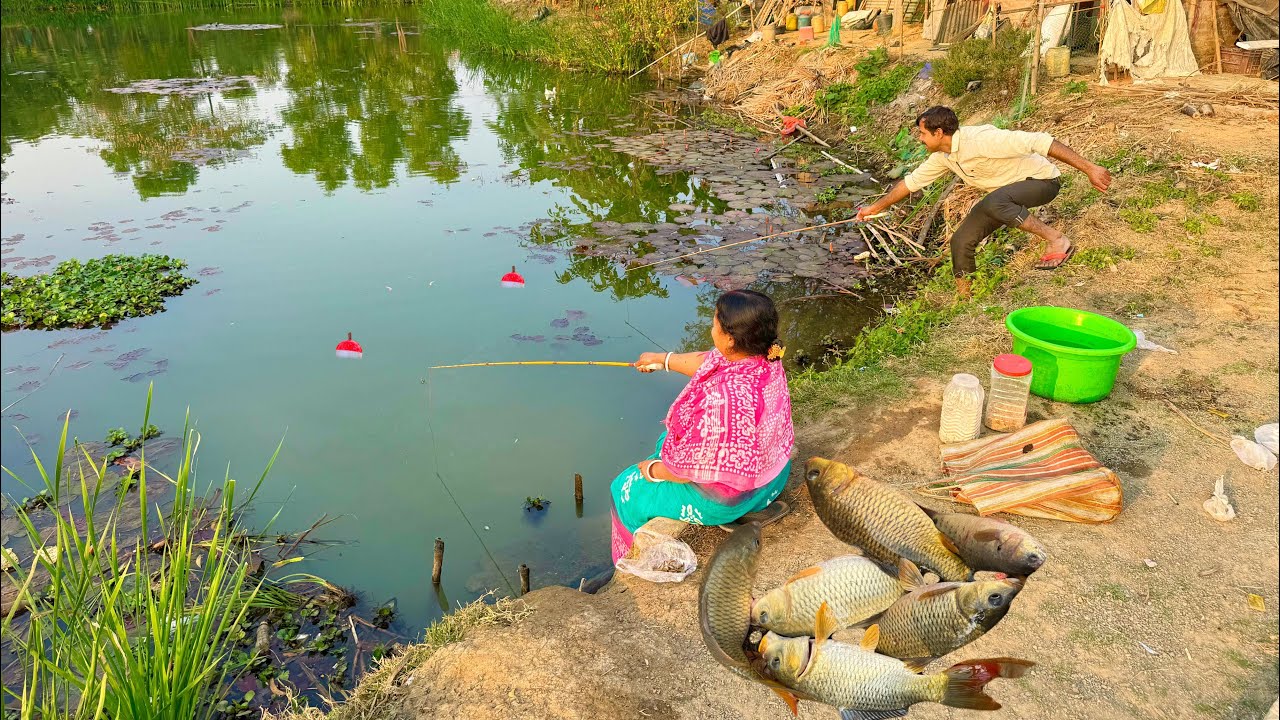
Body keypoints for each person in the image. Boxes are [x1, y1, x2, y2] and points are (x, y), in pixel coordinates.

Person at [609, 290, 794, 564]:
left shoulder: (722, 400)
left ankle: (629, 561)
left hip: (730, 498)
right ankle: (746, 503)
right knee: (666, 440)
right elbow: (708, 361)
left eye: (714, 323)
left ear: (730, 339)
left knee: (624, 490)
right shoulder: (766, 357)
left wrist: (653, 471)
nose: (711, 328)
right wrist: (661, 360)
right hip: (773, 477)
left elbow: (687, 471)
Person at [856, 106, 1113, 298]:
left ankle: (1056, 239)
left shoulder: (980, 140)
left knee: (994, 200)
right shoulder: (943, 157)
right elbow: (910, 183)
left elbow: (1040, 141)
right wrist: (873, 209)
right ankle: (966, 298)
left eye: (922, 134)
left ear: (939, 132)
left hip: (1043, 182)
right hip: (1002, 198)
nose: (920, 139)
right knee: (961, 241)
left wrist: (1090, 168)